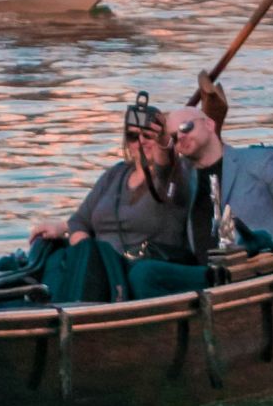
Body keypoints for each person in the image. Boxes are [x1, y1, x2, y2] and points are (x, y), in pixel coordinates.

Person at [25, 94, 195, 300]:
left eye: (148, 136)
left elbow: (166, 168)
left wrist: (164, 142)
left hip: (136, 266)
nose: (140, 142)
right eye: (133, 136)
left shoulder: (176, 176)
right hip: (96, 265)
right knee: (45, 248)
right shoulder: (116, 174)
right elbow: (79, 221)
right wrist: (82, 247)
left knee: (87, 255)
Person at [164, 107, 273, 263]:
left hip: (261, 268)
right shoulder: (180, 179)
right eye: (173, 137)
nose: (180, 137)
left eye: (186, 127)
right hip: (205, 276)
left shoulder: (258, 161)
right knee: (143, 271)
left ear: (209, 124)